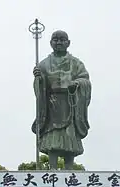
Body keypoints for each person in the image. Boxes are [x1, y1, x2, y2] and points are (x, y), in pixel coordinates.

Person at [32, 30, 91, 170]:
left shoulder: (76, 63)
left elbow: (85, 80)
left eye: (62, 40)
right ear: (51, 43)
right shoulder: (44, 64)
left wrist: (76, 84)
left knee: (69, 138)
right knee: (53, 138)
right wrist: (39, 79)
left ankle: (69, 168)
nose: (59, 42)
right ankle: (52, 168)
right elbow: (40, 88)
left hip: (70, 103)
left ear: (68, 43)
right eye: (55, 39)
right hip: (51, 105)